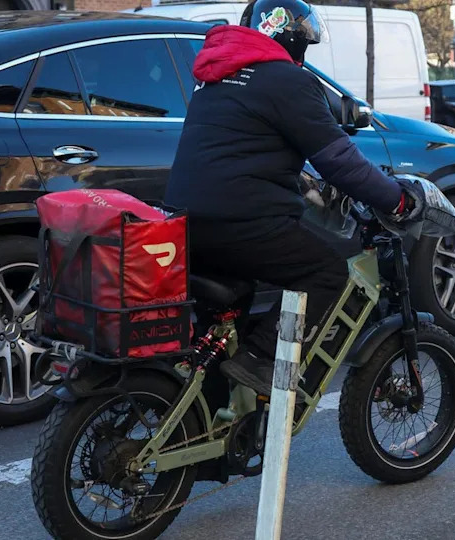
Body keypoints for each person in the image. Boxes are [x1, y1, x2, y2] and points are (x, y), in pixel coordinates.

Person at [165, 0, 426, 397]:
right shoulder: (286, 80)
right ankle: (261, 360)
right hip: (242, 225)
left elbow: (240, 147)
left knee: (226, 324)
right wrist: (397, 201)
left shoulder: (217, 75)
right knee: (328, 275)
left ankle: (214, 426)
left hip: (186, 223)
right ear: (290, 39)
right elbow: (340, 161)